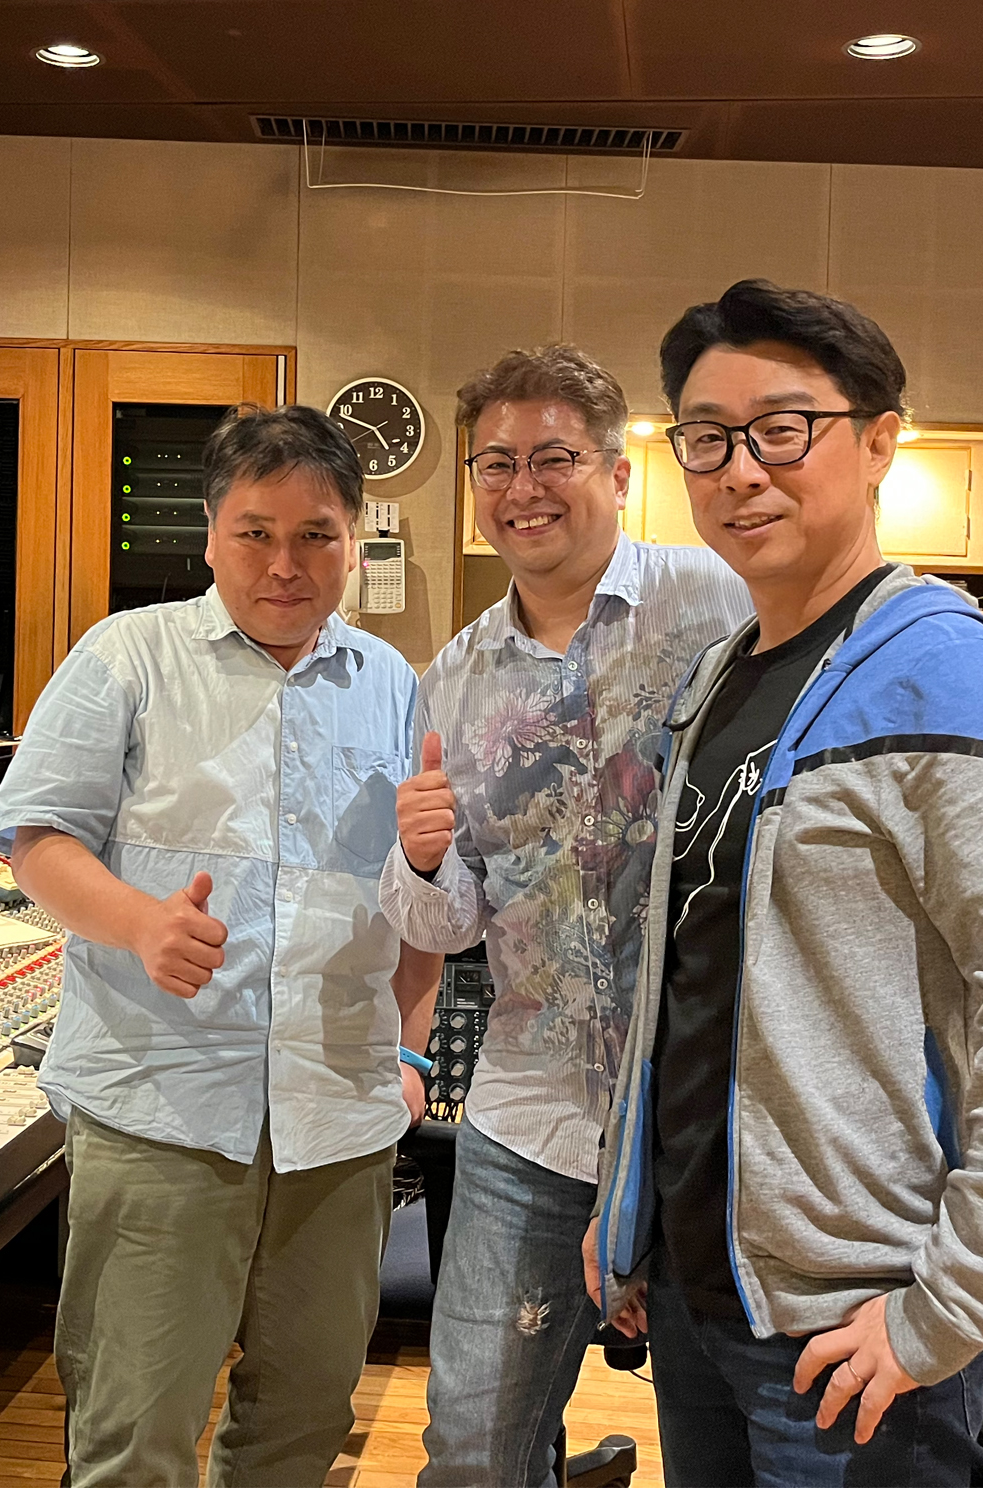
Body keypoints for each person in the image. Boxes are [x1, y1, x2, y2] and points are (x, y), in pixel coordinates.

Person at [584, 281, 983, 1485]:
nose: (740, 471)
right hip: (700, 1292)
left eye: (782, 430)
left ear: (879, 441)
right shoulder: (726, 673)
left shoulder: (940, 671)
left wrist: (949, 1307)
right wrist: (629, 1210)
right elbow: (687, 981)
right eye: (707, 437)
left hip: (850, 1330)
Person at [0, 403, 441, 1488]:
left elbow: (413, 903)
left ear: (354, 539)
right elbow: (36, 838)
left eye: (315, 535)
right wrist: (140, 923)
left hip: (338, 1117)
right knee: (134, 1433)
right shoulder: (126, 656)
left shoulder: (392, 683)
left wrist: (410, 1054)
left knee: (303, 1419)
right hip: (162, 1106)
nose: (285, 564)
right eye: (256, 533)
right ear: (209, 535)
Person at [380, 345, 750, 1486]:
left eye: (554, 458)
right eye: (496, 463)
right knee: (475, 1447)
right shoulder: (452, 680)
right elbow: (446, 926)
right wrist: (420, 856)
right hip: (533, 1111)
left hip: (713, 1114)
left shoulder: (723, 605)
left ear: (618, 471)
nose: (522, 487)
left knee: (724, 1449)